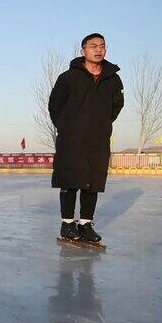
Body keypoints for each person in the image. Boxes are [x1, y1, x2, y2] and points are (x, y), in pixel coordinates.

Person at [48, 33, 124, 243]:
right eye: (93, 46)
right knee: (70, 179)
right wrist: (67, 127)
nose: (98, 50)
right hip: (71, 139)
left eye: (102, 46)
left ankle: (85, 225)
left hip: (98, 139)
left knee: (93, 180)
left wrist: (101, 125)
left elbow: (117, 105)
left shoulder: (113, 79)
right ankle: (67, 224)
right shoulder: (68, 77)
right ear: (83, 51)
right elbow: (55, 105)